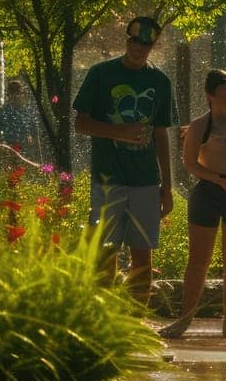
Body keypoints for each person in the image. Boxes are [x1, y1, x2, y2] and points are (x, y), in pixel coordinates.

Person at [74, 16, 177, 301]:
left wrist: (166, 188)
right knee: (105, 252)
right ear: (127, 40)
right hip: (108, 180)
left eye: (147, 43)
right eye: (136, 41)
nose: (140, 48)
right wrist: (120, 132)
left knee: (142, 256)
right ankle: (104, 320)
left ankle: (136, 323)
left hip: (145, 181)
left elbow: (161, 136)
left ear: (153, 45)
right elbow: (80, 124)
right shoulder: (101, 74)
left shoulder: (160, 82)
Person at [159, 70, 226, 339]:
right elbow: (189, 164)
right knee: (199, 260)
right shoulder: (201, 126)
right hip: (209, 192)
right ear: (211, 96)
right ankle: (184, 319)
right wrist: (219, 181)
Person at [0, 79, 42, 161]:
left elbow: (35, 134)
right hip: (9, 149)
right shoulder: (3, 111)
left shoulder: (27, 111)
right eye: (12, 92)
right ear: (8, 95)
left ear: (22, 94)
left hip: (25, 150)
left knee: (23, 171)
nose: (15, 95)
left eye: (17, 92)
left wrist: (39, 158)